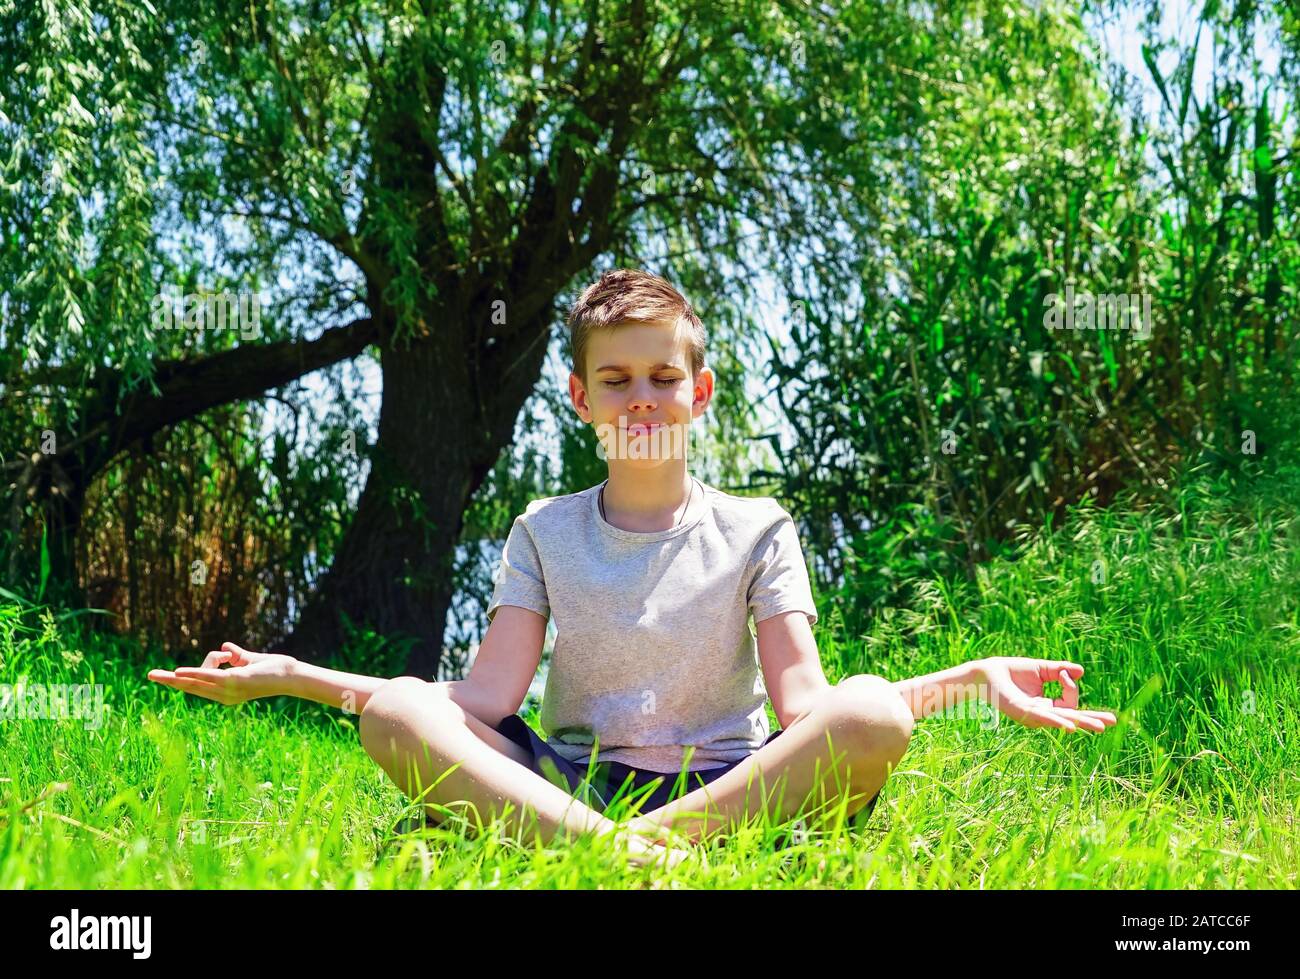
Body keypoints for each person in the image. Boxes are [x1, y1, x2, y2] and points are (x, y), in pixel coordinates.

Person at [148, 269, 1117, 869]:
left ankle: (644, 851)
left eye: (661, 377)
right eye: (615, 379)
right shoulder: (541, 530)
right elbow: (483, 697)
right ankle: (615, 850)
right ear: (579, 396)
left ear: (697, 391)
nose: (641, 397)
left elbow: (808, 710)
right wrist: (294, 676)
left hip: (732, 786)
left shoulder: (757, 528)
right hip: (571, 784)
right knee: (403, 711)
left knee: (868, 712)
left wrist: (968, 680)